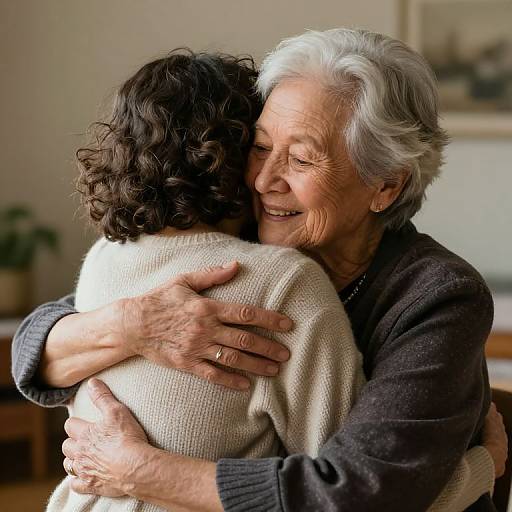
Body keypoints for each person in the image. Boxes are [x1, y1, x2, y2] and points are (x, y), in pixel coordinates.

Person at [12, 29, 506, 511]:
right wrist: (135, 325)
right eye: (262, 147)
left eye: (302, 158)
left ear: (386, 186)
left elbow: (353, 492)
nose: (265, 180)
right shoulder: (242, 246)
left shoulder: (438, 295)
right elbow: (36, 345)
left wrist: (139, 472)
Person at [42, 50, 365, 512]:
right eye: (261, 146)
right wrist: (479, 464)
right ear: (235, 156)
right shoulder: (283, 282)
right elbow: (350, 492)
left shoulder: (103, 259)